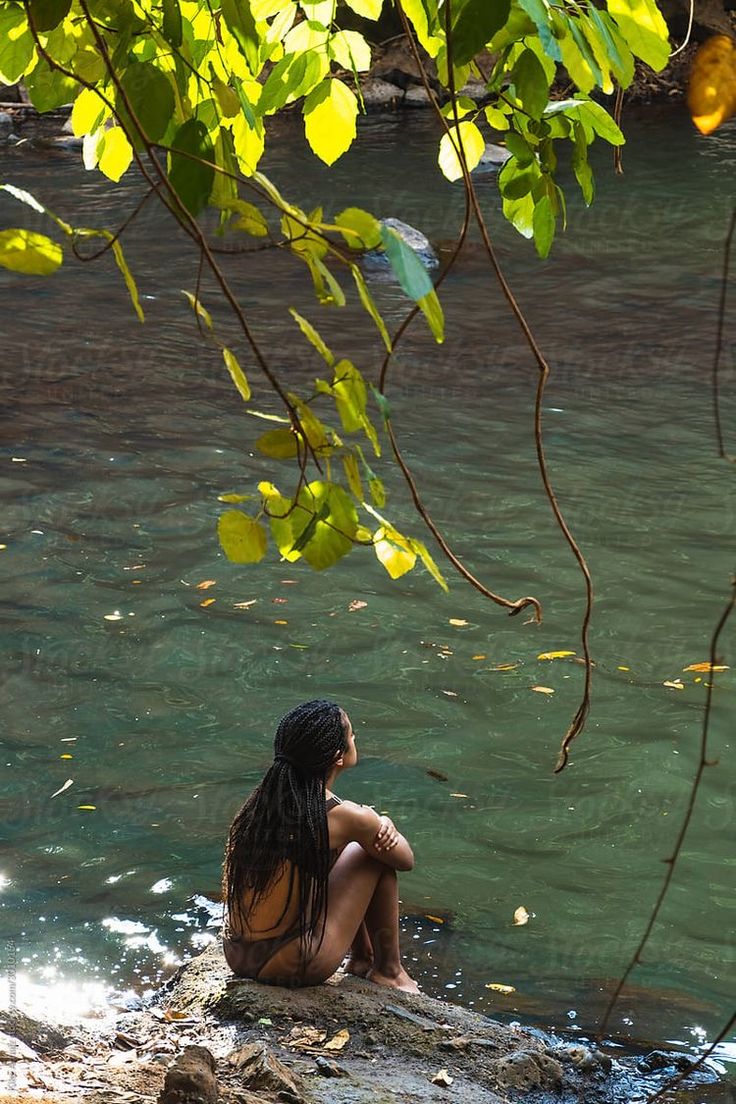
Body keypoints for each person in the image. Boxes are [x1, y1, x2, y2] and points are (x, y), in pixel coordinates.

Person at [221, 699, 419, 992]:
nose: (355, 739)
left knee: (338, 849)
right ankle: (388, 971)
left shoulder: (259, 807)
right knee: (373, 856)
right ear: (338, 756)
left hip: (237, 957)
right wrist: (381, 822)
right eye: (351, 735)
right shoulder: (345, 816)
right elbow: (404, 859)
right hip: (293, 965)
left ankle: (362, 959)